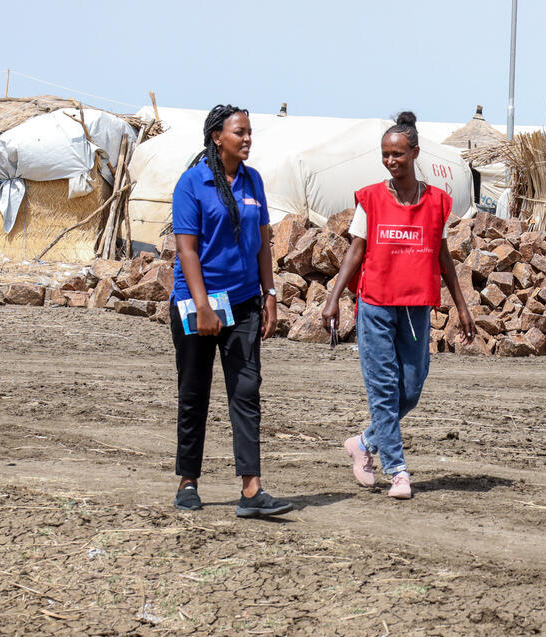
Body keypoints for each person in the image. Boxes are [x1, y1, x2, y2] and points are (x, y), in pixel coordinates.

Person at [322, 111, 476, 500]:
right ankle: (398, 471)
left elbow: (443, 259)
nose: (391, 161)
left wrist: (462, 307)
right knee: (384, 391)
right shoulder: (371, 200)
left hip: (415, 308)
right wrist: (334, 297)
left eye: (398, 154)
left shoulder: (437, 202)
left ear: (415, 153)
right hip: (375, 305)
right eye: (386, 154)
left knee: (411, 388)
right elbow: (355, 253)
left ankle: (363, 442)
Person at [169, 104, 292, 518]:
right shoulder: (192, 183)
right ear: (217, 137)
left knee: (245, 391)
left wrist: (269, 292)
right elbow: (186, 249)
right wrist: (203, 307)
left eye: (250, 132)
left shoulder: (253, 180)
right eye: (240, 132)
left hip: (242, 304)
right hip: (197, 305)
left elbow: (263, 242)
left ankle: (251, 489)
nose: (247, 138)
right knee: (194, 392)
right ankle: (188, 481)